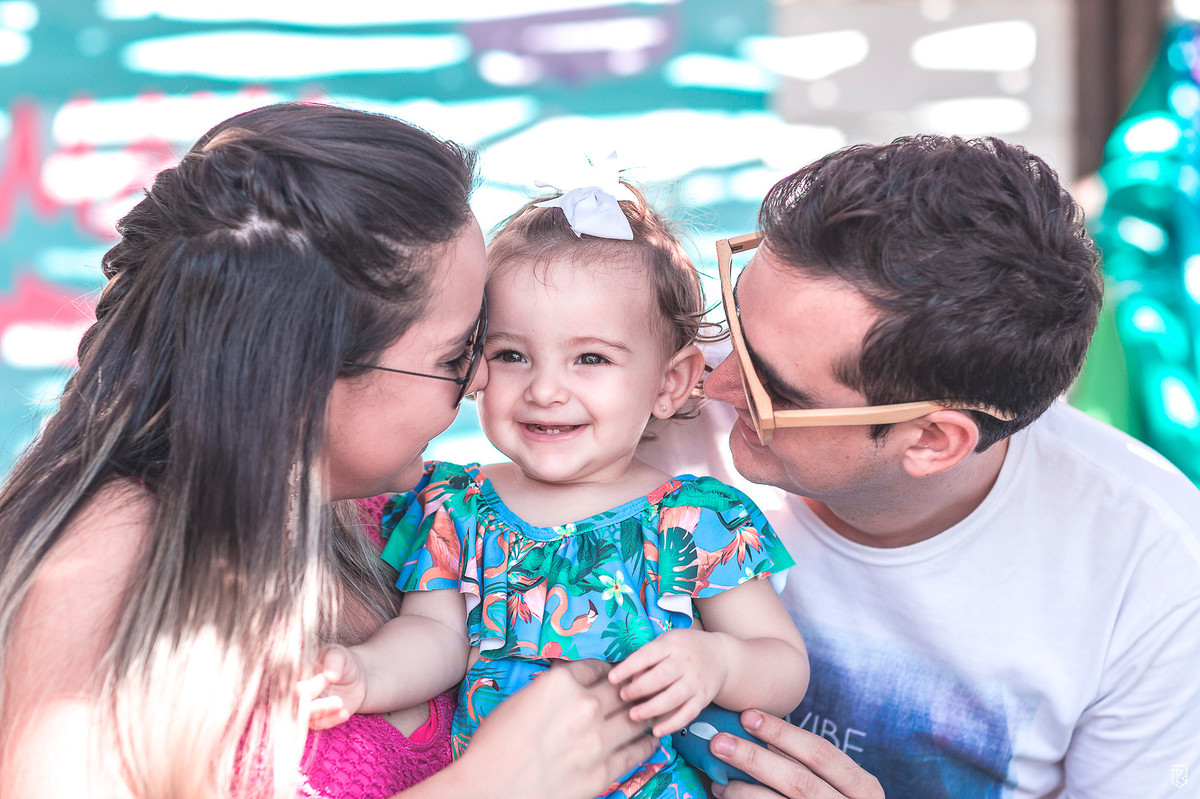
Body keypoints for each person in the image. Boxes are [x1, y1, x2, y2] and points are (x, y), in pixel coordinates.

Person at [0, 102, 658, 799]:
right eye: (458, 354)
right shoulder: (102, 569)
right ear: (310, 382)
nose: (483, 383)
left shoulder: (387, 512)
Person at [638, 135, 1200, 798]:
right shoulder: (648, 404)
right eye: (733, 320)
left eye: (773, 389)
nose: (715, 383)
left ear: (933, 439)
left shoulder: (1153, 570)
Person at [308, 178, 810, 798]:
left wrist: (720, 662)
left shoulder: (698, 517)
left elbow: (783, 663)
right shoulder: (453, 506)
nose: (545, 389)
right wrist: (365, 672)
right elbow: (434, 637)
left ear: (671, 382)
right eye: (512, 355)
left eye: (590, 359)